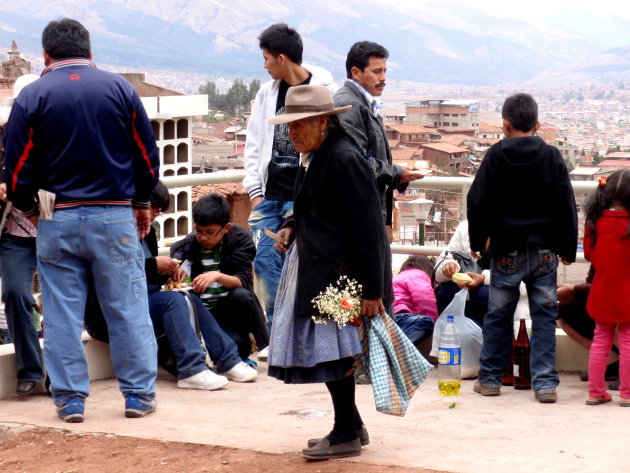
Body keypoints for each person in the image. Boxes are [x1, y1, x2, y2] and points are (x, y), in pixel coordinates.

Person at [3, 18, 160, 422]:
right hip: (115, 216)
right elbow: (146, 155)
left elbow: (17, 171)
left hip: (58, 218)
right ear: (90, 52)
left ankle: (70, 399)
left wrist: (34, 210)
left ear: (45, 55)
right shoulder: (120, 89)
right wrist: (141, 203)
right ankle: (138, 395)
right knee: (127, 307)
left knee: (60, 313)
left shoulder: (32, 96)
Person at [267, 85, 393, 460]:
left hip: (341, 277)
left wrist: (372, 291)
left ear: (323, 121)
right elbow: (316, 208)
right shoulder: (318, 157)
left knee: (334, 356)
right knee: (331, 353)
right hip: (324, 272)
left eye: (299, 125)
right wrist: (291, 225)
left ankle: (344, 434)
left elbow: (369, 227)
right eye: (289, 127)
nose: (293, 134)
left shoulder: (343, 159)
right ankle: (351, 426)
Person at [467, 92, 578, 403]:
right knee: (545, 316)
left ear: (505, 125)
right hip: (544, 251)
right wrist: (568, 247)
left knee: (498, 315)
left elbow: (477, 201)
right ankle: (544, 384)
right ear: (538, 124)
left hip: (506, 251)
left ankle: (489, 379)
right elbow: (566, 205)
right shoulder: (552, 156)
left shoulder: (494, 156)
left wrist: (478, 241)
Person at [244, 24, 338, 340]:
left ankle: (302, 336)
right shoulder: (265, 93)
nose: (265, 65)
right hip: (269, 194)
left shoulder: (324, 89)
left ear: (282, 58)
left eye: (267, 58)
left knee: (303, 266)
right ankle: (276, 335)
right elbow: (254, 143)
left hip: (303, 195)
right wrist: (255, 193)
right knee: (264, 263)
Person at [170, 194, 269, 365]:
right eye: (199, 231)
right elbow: (177, 252)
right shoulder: (192, 242)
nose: (203, 237)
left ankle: (245, 350)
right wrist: (177, 269)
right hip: (203, 310)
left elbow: (243, 281)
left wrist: (216, 275)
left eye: (210, 233)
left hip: (228, 306)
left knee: (242, 296)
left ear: (226, 228)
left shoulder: (240, 240)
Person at [333, 41, 424, 228]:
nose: (383, 78)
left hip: (365, 212)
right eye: (376, 72)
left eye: (384, 71)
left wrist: (398, 174)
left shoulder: (364, 103)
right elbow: (357, 163)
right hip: (356, 216)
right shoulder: (349, 106)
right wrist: (397, 173)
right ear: (356, 72)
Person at [0, 73, 44, 395]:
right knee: (16, 292)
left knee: (61, 299)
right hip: (16, 234)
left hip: (57, 228)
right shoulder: (3, 138)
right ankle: (29, 369)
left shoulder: (57, 136)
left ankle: (59, 374)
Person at [582, 170, 630, 406]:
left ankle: (595, 391)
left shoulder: (594, 221)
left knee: (600, 339)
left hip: (602, 289)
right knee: (629, 341)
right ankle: (627, 394)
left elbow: (590, 254)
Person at [556, 265, 619, 387]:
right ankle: (612, 363)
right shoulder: (601, 250)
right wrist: (571, 293)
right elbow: (593, 283)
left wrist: (574, 290)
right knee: (561, 311)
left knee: (619, 315)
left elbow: (616, 288)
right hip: (610, 303)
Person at [433, 220, 491, 327]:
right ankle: (452, 338)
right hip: (462, 299)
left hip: (496, 300)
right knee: (447, 291)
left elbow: (522, 276)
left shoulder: (517, 226)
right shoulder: (466, 227)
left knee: (485, 294)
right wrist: (448, 267)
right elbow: (441, 266)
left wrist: (483, 278)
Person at [393, 255, 438, 345]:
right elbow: (426, 299)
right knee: (426, 322)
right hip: (400, 315)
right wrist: (439, 321)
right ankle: (399, 350)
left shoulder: (399, 276)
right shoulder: (418, 274)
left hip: (389, 314)